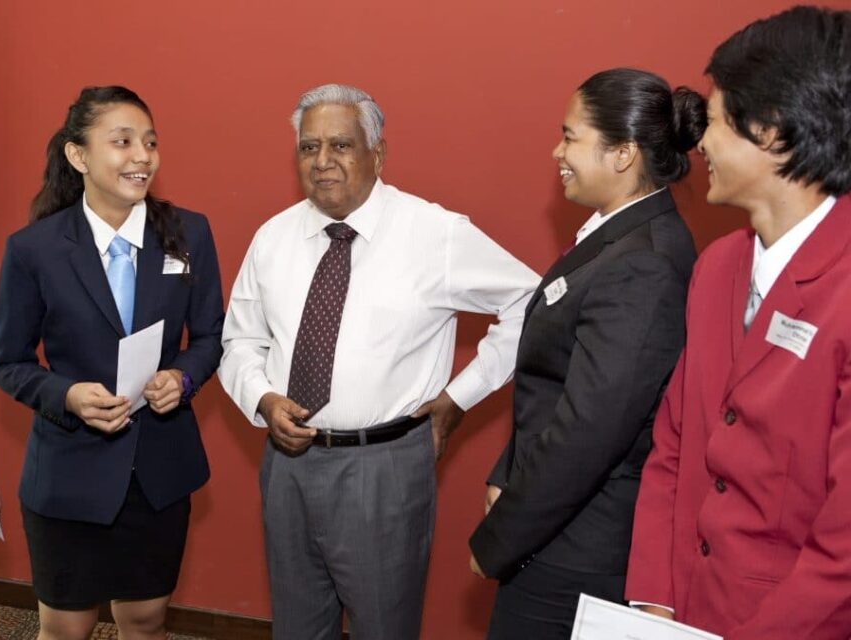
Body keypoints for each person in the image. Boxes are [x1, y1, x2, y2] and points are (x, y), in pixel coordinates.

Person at [218, 83, 540, 639]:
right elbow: (240, 342)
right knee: (296, 628)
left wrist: (460, 397)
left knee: (383, 628)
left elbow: (531, 304)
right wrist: (263, 399)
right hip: (287, 467)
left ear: (378, 154)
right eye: (308, 147)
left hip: (385, 468)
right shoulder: (273, 238)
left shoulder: (434, 234)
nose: (322, 162)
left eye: (341, 145)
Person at [625, 6, 851, 639]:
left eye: (718, 122)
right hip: (686, 614)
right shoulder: (718, 267)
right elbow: (674, 444)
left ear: (774, 132)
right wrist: (654, 599)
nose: (700, 144)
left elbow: (843, 556)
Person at [467, 68, 702, 639]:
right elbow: (550, 381)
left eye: (570, 136)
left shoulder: (645, 261)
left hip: (578, 550)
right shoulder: (612, 237)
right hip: (549, 529)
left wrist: (496, 541)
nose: (557, 151)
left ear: (622, 153)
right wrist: (507, 473)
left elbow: (588, 433)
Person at [0, 86, 224, 640]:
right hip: (69, 470)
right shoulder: (34, 249)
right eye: (122, 142)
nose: (142, 156)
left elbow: (212, 336)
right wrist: (66, 396)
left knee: (145, 619)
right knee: (65, 627)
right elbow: (9, 363)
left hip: (159, 469)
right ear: (79, 155)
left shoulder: (189, 233)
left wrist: (183, 377)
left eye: (150, 142)